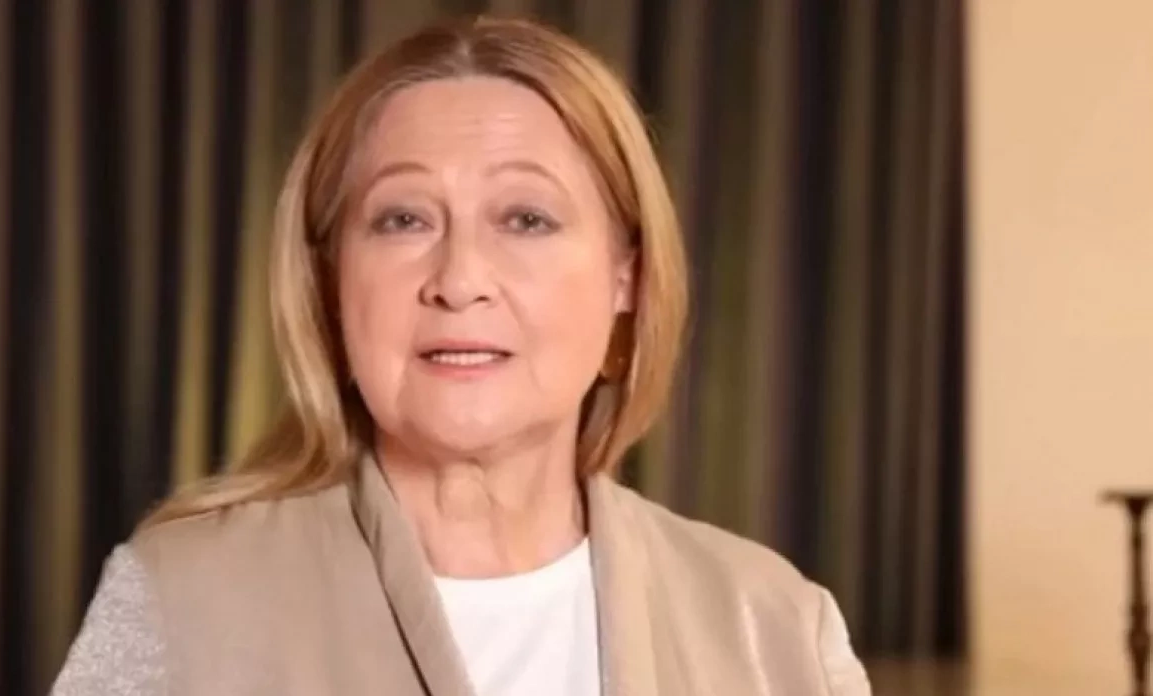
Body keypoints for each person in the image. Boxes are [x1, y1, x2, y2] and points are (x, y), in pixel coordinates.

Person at [52, 15, 871, 696]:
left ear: (626, 275)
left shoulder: (777, 628)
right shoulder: (179, 602)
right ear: (331, 281)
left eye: (526, 219)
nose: (460, 280)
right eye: (403, 220)